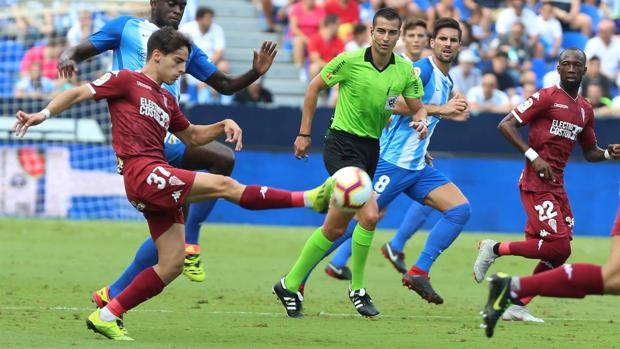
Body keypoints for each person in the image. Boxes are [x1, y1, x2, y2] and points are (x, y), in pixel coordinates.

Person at [13, 27, 334, 341]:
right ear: (157, 55)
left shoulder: (166, 99)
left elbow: (192, 135)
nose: (183, 69)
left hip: (154, 178)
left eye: (185, 62)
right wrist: (42, 114)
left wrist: (222, 124)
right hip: (143, 172)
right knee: (225, 185)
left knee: (172, 264)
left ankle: (107, 315)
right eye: (178, 61)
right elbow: (78, 92)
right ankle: (310, 199)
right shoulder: (126, 80)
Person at [55, 0, 278, 309]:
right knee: (220, 161)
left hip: (169, 131)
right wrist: (67, 56)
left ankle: (116, 291)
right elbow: (79, 50)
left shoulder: (181, 47)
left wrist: (254, 72)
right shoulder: (126, 28)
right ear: (153, 3)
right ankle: (191, 244)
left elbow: (224, 85)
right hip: (138, 137)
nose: (177, 9)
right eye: (170, 3)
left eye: (182, 5)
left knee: (175, 224)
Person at [272, 8, 427, 318]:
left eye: (391, 32)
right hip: (341, 145)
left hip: (371, 149)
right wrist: (304, 133)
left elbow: (417, 107)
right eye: (380, 31)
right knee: (369, 214)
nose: (385, 37)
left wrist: (421, 121)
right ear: (371, 32)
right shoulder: (349, 61)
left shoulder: (404, 71)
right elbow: (314, 87)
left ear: (398, 36)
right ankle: (357, 289)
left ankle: (289, 283)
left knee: (334, 227)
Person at [322, 19, 472, 305]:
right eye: (442, 39)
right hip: (391, 162)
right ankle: (300, 276)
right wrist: (442, 109)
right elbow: (389, 102)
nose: (448, 44)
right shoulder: (423, 70)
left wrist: (423, 145)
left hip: (416, 167)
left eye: (453, 40)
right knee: (352, 222)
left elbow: (417, 118)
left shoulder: (447, 79)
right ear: (433, 42)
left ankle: (419, 271)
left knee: (460, 210)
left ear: (459, 46)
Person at [474, 48, 620, 324]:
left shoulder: (585, 109)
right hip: (535, 183)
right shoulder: (545, 97)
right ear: (558, 68)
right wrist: (534, 157)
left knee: (559, 252)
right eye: (566, 64)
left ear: (585, 71)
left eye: (577, 65)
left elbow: (590, 153)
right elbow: (505, 125)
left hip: (557, 186)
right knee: (557, 246)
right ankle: (494, 249)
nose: (572, 68)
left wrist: (609, 153)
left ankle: (516, 304)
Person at [482, 195, 620, 338]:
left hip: (553, 186)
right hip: (543, 187)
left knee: (615, 283)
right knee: (612, 276)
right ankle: (513, 286)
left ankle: (514, 289)